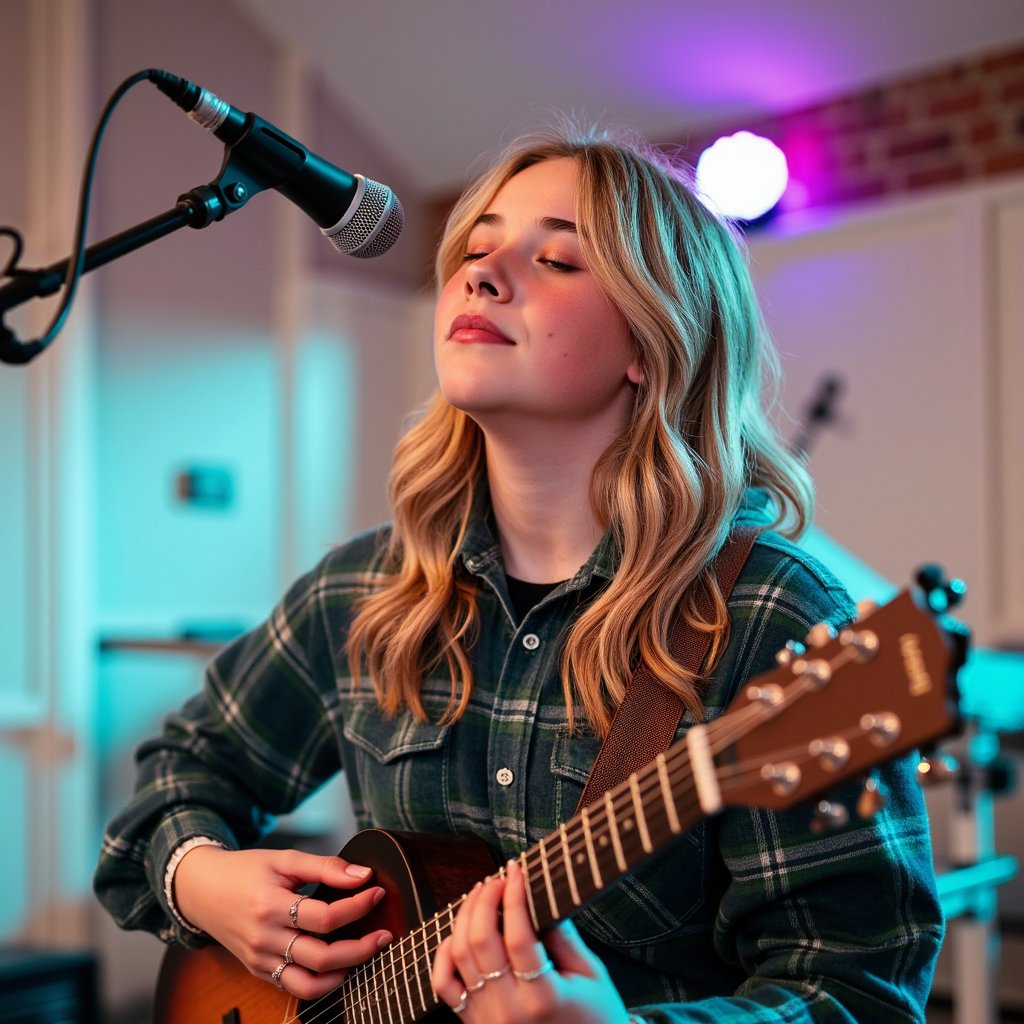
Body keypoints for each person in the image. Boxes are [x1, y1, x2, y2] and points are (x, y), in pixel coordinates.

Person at [94, 124, 943, 1022]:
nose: (482, 273)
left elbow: (856, 994)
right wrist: (201, 877)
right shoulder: (362, 590)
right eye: (477, 245)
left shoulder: (769, 615)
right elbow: (175, 780)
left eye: (560, 260)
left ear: (650, 345)